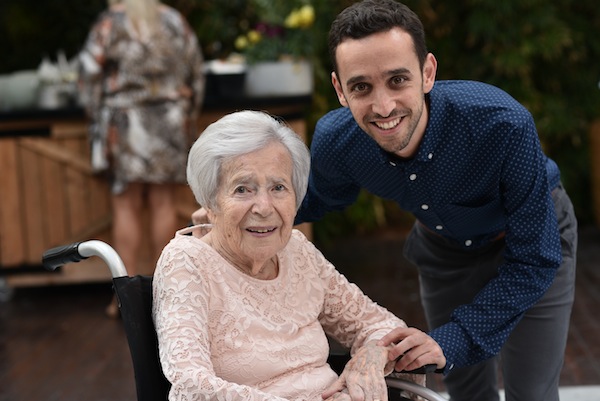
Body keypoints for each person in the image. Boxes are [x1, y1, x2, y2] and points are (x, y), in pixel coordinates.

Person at [289, 1, 577, 400]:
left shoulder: (502, 124)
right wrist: (232, 217)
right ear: (340, 90)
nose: (383, 106)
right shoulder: (337, 141)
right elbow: (317, 199)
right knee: (464, 389)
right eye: (361, 87)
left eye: (397, 80)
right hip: (443, 252)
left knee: (531, 391)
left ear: (427, 73)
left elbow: (536, 257)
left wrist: (453, 339)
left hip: (530, 243)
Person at [153, 110, 446, 401]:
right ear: (210, 200)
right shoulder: (186, 261)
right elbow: (191, 384)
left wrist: (370, 355)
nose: (264, 207)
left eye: (279, 187)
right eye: (243, 189)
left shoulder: (296, 250)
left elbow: (378, 325)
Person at [78, 0, 205, 318]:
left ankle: (122, 298)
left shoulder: (110, 23)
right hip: (169, 123)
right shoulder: (174, 21)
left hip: (125, 124)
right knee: (164, 204)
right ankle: (165, 295)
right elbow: (197, 74)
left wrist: (98, 115)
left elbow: (88, 75)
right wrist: (186, 113)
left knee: (126, 206)